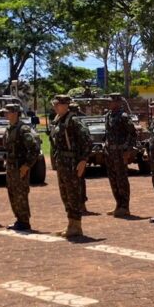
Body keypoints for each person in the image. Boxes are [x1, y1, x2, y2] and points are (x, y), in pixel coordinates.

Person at [48, 95, 91, 238]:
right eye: (55, 104)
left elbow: (86, 139)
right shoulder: (59, 120)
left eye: (57, 104)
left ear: (65, 105)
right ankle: (71, 224)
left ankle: (76, 225)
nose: (55, 107)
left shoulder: (73, 121)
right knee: (65, 194)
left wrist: (83, 160)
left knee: (73, 194)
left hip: (71, 163)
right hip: (62, 162)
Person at [3, 104, 40, 231]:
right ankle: (19, 219)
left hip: (20, 168)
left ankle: (24, 221)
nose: (5, 114)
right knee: (12, 193)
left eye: (8, 112)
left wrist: (27, 165)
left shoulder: (23, 129)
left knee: (20, 194)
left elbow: (34, 149)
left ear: (15, 113)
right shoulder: (9, 128)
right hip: (11, 167)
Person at [103, 93, 136, 218]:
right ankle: (118, 204)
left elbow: (132, 134)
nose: (109, 103)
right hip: (109, 152)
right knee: (113, 179)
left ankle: (125, 206)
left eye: (111, 101)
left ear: (118, 102)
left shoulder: (123, 116)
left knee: (121, 179)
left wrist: (128, 150)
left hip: (120, 153)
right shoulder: (108, 116)